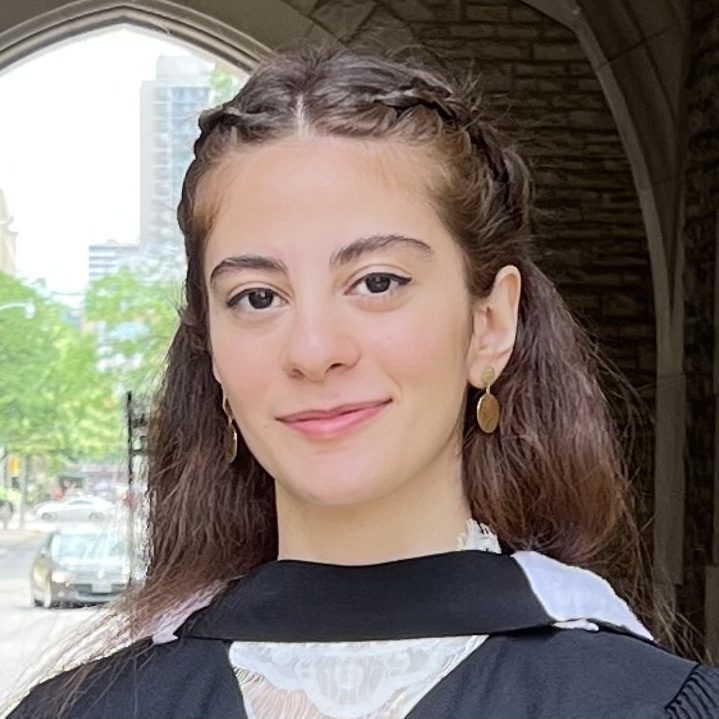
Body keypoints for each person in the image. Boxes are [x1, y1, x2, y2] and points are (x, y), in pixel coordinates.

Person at [6, 44, 719, 719]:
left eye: (377, 282)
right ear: (213, 352)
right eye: (257, 296)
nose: (313, 350)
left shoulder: (643, 703)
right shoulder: (90, 708)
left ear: (490, 324)